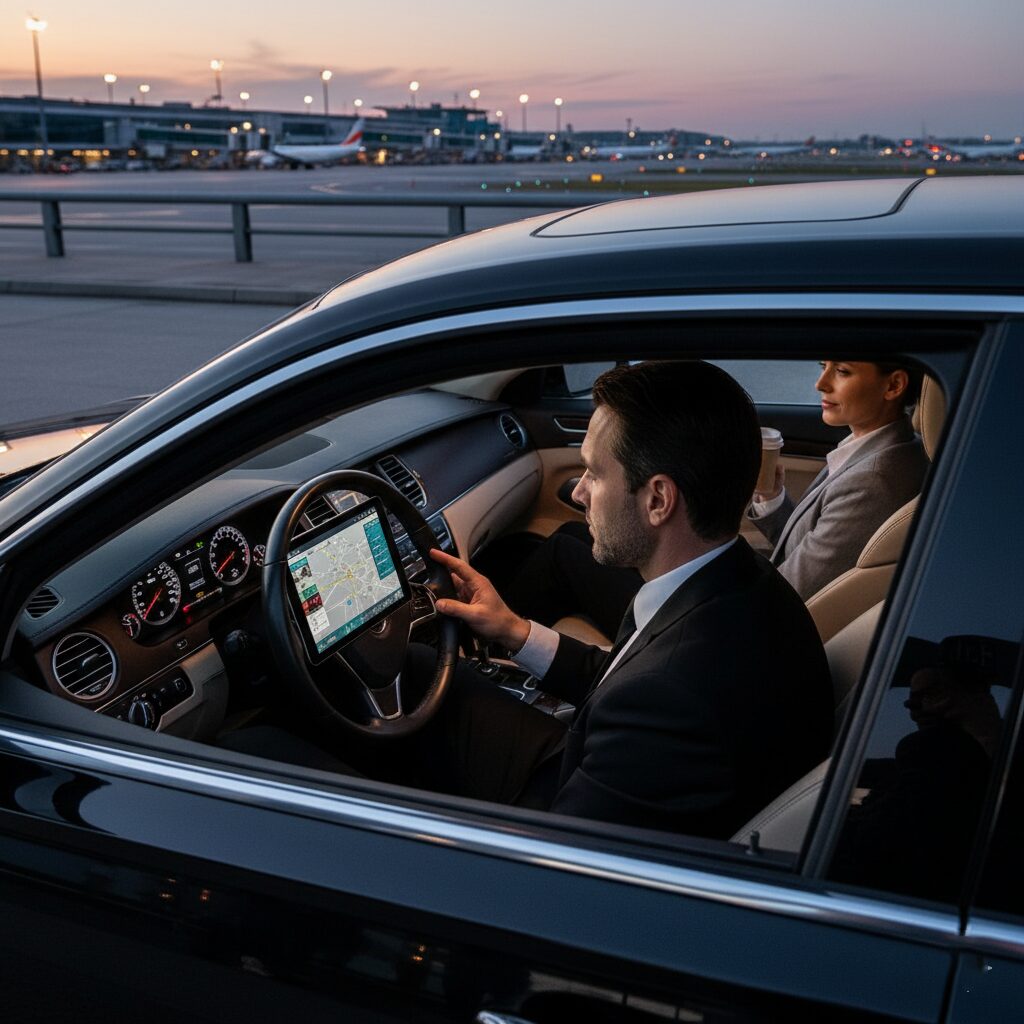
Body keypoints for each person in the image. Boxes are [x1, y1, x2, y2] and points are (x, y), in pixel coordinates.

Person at [411, 360, 833, 839]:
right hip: (602, 763)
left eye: (594, 472)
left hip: (570, 802)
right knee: (426, 670)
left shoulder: (665, 705)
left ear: (658, 500)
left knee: (414, 693)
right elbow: (621, 675)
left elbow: (562, 862)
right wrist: (514, 631)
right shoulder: (741, 579)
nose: (578, 491)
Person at [502, 359, 929, 639]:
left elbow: (793, 590)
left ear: (893, 385)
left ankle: (483, 642)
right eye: (823, 367)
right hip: (748, 602)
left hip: (738, 623)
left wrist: (712, 561)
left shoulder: (877, 477)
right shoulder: (874, 451)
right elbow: (814, 550)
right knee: (574, 535)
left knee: (562, 552)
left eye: (843, 371)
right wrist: (774, 500)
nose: (820, 382)